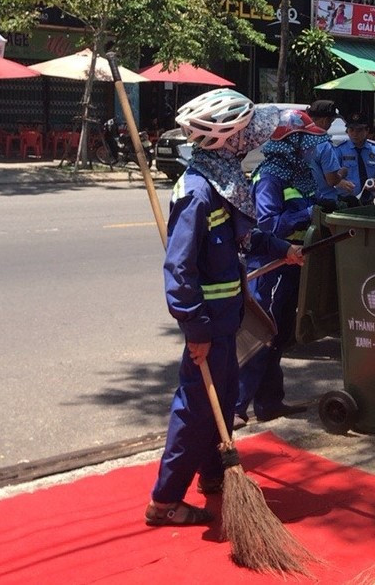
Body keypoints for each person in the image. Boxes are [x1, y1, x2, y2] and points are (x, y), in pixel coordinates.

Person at [146, 89, 304, 527]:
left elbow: (243, 238)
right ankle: (164, 501)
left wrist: (282, 248)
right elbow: (178, 269)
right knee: (195, 408)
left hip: (229, 319)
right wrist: (194, 328)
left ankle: (215, 474)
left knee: (225, 398)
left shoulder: (226, 181)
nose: (253, 142)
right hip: (208, 325)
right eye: (246, 136)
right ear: (224, 139)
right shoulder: (197, 192)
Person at [234, 109, 328, 428]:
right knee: (263, 334)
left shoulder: (298, 174)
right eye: (306, 141)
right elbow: (267, 225)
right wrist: (306, 215)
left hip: (294, 263)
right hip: (272, 265)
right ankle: (237, 406)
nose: (311, 148)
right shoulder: (270, 176)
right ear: (290, 141)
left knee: (280, 336)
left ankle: (270, 402)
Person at [335, 111, 375, 206]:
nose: (355, 134)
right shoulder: (339, 149)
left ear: (367, 130)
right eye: (351, 130)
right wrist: (341, 182)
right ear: (347, 131)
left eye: (359, 130)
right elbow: (330, 175)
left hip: (368, 202)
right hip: (345, 202)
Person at [306, 99, 353, 205]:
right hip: (325, 202)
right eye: (331, 122)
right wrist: (341, 173)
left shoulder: (298, 141)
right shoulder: (323, 144)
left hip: (303, 201)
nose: (330, 125)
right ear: (325, 120)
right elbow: (332, 180)